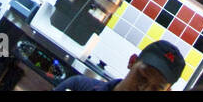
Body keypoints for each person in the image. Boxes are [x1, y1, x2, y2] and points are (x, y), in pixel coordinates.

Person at [53, 40, 186, 91]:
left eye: (155, 89)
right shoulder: (79, 87)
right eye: (142, 78)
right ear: (132, 61)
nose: (143, 90)